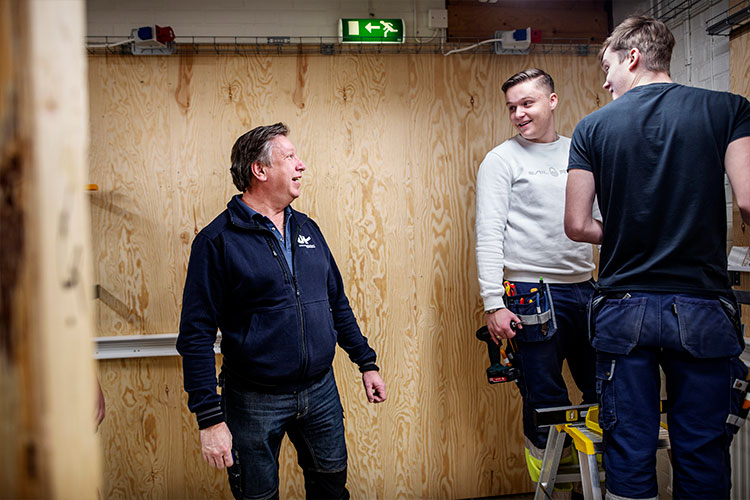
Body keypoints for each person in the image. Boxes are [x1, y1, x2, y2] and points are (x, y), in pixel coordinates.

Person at [565, 15, 750, 499]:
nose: (604, 81)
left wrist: (628, 230)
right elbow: (748, 200)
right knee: (702, 448)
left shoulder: (591, 128)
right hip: (703, 308)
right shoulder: (728, 109)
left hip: (625, 311)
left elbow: (578, 225)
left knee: (628, 445)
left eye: (608, 67)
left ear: (633, 56)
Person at [177, 123, 386, 500]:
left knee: (332, 489)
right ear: (260, 170)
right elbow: (195, 336)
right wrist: (210, 419)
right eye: (290, 157)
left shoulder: (307, 228)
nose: (301, 165)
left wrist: (366, 362)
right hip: (252, 400)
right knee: (257, 496)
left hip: (320, 391)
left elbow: (336, 303)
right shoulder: (216, 242)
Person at [475, 68, 599, 487]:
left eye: (527, 103)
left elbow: (599, 221)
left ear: (552, 100)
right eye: (512, 107)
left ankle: (597, 481)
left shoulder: (580, 152)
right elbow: (489, 234)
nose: (519, 114)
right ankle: (552, 485)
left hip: (586, 288)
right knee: (545, 399)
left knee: (603, 386)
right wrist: (494, 302)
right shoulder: (501, 160)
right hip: (529, 293)